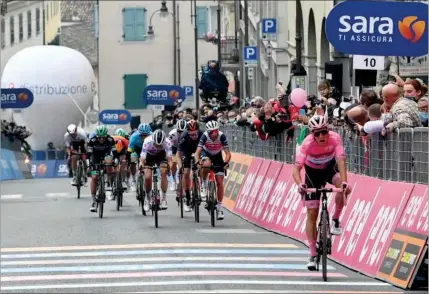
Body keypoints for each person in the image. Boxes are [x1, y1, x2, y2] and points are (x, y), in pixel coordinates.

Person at [292, 115, 351, 271]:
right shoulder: (307, 144)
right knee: (312, 213)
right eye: (316, 133)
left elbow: (341, 161)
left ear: (328, 130)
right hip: (312, 173)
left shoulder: (335, 138)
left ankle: (336, 219)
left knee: (345, 186)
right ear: (312, 134)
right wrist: (300, 184)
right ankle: (312, 253)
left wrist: (344, 182)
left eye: (323, 132)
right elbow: (296, 169)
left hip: (329, 168)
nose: (321, 136)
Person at [194, 120, 231, 220]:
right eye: (211, 132)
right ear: (208, 132)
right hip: (206, 154)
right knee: (206, 164)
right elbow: (197, 152)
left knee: (219, 181)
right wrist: (198, 161)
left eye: (215, 131)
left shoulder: (222, 136)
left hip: (217, 155)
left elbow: (227, 153)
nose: (214, 134)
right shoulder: (205, 136)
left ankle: (219, 208)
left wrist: (226, 162)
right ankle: (203, 185)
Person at [140, 129, 173, 212]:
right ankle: (147, 199)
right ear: (153, 140)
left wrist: (169, 167)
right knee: (147, 177)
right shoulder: (147, 141)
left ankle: (164, 199)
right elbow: (143, 158)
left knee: (163, 172)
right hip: (149, 157)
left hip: (161, 157)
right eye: (156, 144)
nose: (158, 146)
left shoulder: (168, 142)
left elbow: (169, 159)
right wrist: (141, 165)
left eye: (160, 145)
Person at [86, 125, 116, 212]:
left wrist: (116, 161)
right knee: (94, 177)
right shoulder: (92, 141)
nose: (102, 140)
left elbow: (115, 152)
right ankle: (93, 201)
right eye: (100, 138)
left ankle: (108, 184)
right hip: (95, 157)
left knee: (109, 164)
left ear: (106, 136)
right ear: (97, 136)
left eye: (103, 138)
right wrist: (88, 165)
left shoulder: (110, 140)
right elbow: (88, 155)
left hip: (106, 155)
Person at [177, 120, 204, 212]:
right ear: (188, 132)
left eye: (195, 133)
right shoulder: (184, 136)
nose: (194, 136)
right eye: (191, 134)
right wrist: (180, 166)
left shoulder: (202, 135)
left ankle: (202, 186)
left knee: (201, 165)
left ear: (198, 130)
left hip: (198, 151)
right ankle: (187, 196)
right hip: (187, 153)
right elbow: (178, 154)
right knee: (186, 172)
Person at [127, 123, 152, 192]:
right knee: (133, 159)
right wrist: (128, 161)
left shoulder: (152, 136)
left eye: (146, 135)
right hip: (136, 149)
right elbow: (129, 151)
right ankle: (134, 180)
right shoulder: (134, 137)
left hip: (147, 149)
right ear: (139, 133)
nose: (144, 137)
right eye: (142, 135)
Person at [109, 129, 130, 200]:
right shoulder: (111, 139)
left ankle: (123, 181)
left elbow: (129, 151)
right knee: (112, 169)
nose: (119, 138)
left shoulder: (126, 139)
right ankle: (112, 185)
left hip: (122, 152)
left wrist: (128, 160)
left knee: (124, 163)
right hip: (114, 152)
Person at [168, 119, 188, 191]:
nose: (181, 133)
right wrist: (170, 156)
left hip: (184, 148)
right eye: (179, 131)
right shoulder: (172, 133)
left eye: (183, 131)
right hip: (174, 148)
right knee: (173, 163)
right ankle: (172, 181)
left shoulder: (189, 133)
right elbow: (168, 145)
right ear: (176, 130)